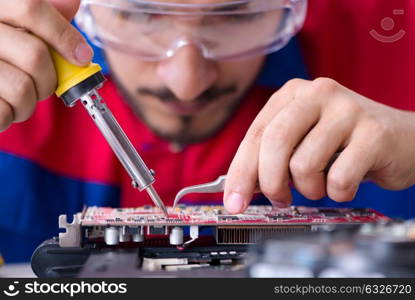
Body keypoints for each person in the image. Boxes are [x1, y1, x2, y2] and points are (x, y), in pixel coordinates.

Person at [0, 0, 414, 262]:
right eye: (142, 12)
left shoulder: (393, 28)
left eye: (236, 14)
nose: (187, 83)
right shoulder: (13, 44)